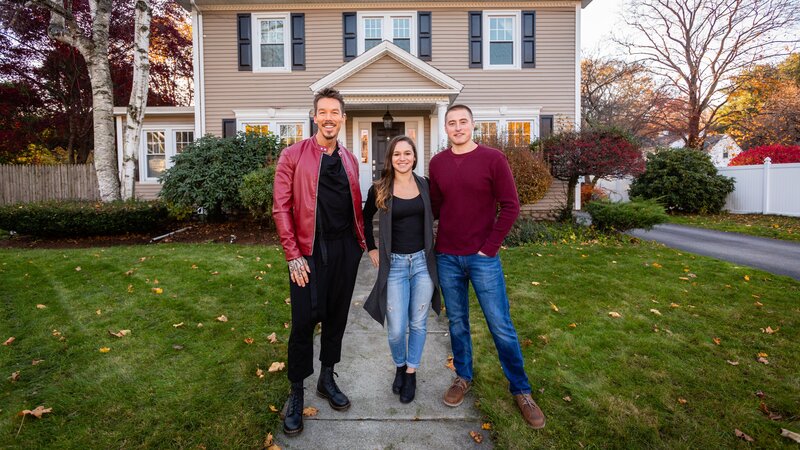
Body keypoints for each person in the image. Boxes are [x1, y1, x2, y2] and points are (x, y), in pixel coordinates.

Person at [429, 104, 546, 429]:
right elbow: (435, 208)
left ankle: (521, 390)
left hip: (483, 259)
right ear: (446, 128)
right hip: (447, 257)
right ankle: (463, 377)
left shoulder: (493, 159)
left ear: (473, 125)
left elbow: (511, 206)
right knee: (458, 324)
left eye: (462, 122)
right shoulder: (437, 163)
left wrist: (489, 248)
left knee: (501, 325)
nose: (457, 127)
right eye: (451, 123)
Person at [272, 87, 366, 436]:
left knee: (337, 318)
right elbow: (281, 208)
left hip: (344, 251)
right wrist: (293, 254)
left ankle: (327, 378)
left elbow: (355, 206)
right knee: (303, 323)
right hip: (309, 253)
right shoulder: (293, 155)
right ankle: (296, 392)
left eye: (335, 112)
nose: (329, 118)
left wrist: (361, 246)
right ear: (315, 117)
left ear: (343, 118)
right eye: (323, 112)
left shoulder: (350, 160)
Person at [362, 135, 441, 404]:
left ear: (415, 157)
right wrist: (371, 248)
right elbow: (363, 218)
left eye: (408, 153)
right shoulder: (381, 188)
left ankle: (411, 371)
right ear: (391, 158)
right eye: (397, 154)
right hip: (394, 264)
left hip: (422, 263)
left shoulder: (426, 186)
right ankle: (399, 364)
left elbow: (441, 213)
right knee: (396, 328)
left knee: (418, 323)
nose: (403, 158)